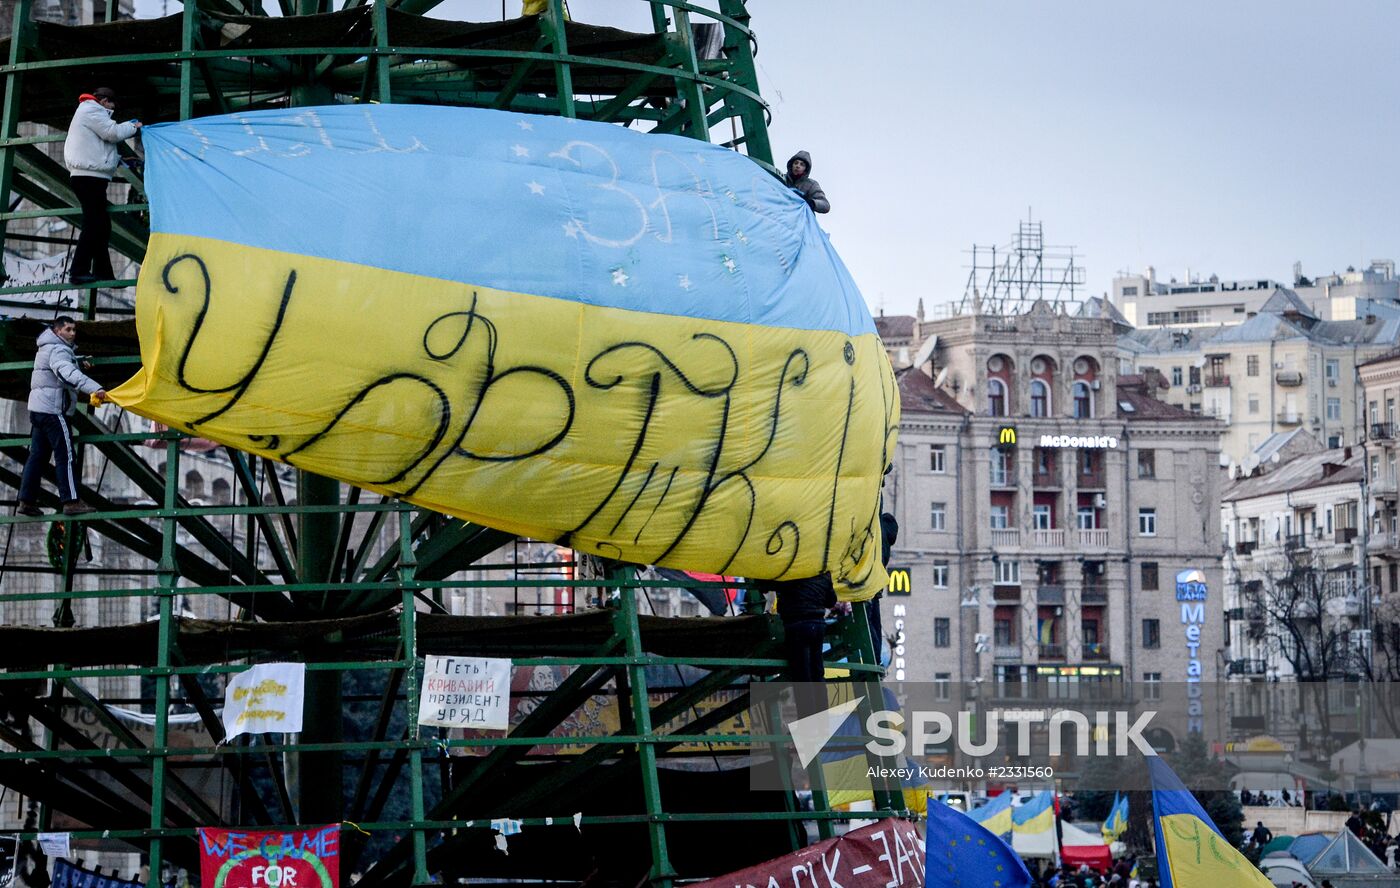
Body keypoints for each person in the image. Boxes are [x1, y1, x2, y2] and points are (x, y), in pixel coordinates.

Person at [17, 317, 106, 516]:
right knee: (65, 455)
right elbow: (66, 373)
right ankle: (71, 501)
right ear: (58, 332)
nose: (73, 333)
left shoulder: (47, 348)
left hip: (39, 410)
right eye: (68, 329)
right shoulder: (59, 350)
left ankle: (26, 500)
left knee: (37, 456)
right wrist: (95, 388)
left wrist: (78, 362)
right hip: (53, 411)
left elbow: (61, 367)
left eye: (74, 329)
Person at [63, 88, 141, 285]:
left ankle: (102, 270)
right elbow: (112, 133)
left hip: (90, 177)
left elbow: (98, 148)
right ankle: (78, 271)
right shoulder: (91, 110)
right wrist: (133, 126)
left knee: (101, 224)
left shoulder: (88, 112)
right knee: (94, 224)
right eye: (112, 105)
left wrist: (120, 159)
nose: (113, 109)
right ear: (105, 101)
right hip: (88, 177)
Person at [760, 573, 836, 715]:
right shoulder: (822, 571)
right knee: (818, 673)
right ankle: (823, 718)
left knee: (802, 676)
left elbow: (765, 584)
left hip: (796, 624)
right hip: (818, 624)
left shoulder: (790, 567)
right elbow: (831, 601)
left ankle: (807, 719)